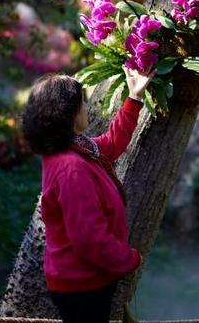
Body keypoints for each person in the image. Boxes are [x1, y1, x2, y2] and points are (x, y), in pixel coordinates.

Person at [21, 67, 154, 323]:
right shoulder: (71, 168)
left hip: (80, 282)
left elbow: (112, 144)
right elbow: (89, 240)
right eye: (81, 101)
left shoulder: (72, 150)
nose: (85, 105)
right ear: (67, 113)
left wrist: (134, 98)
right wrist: (129, 259)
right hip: (82, 286)